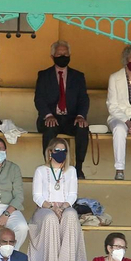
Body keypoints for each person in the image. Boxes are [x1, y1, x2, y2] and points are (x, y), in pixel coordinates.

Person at [34, 41, 91, 176]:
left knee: (82, 128)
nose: (63, 56)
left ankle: (79, 168)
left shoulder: (78, 76)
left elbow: (84, 99)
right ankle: (49, 165)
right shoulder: (44, 75)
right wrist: (48, 115)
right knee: (49, 128)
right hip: (51, 117)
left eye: (65, 54)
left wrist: (81, 116)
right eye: (59, 54)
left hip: (71, 118)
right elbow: (39, 99)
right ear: (52, 56)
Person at [30, 140, 87, 261]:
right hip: (45, 208)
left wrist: (62, 207)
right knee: (50, 218)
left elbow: (72, 194)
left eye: (63, 151)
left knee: (71, 215)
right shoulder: (40, 170)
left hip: (65, 207)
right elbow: (37, 196)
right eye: (57, 150)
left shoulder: (71, 170)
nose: (60, 153)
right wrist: (52, 208)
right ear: (50, 152)